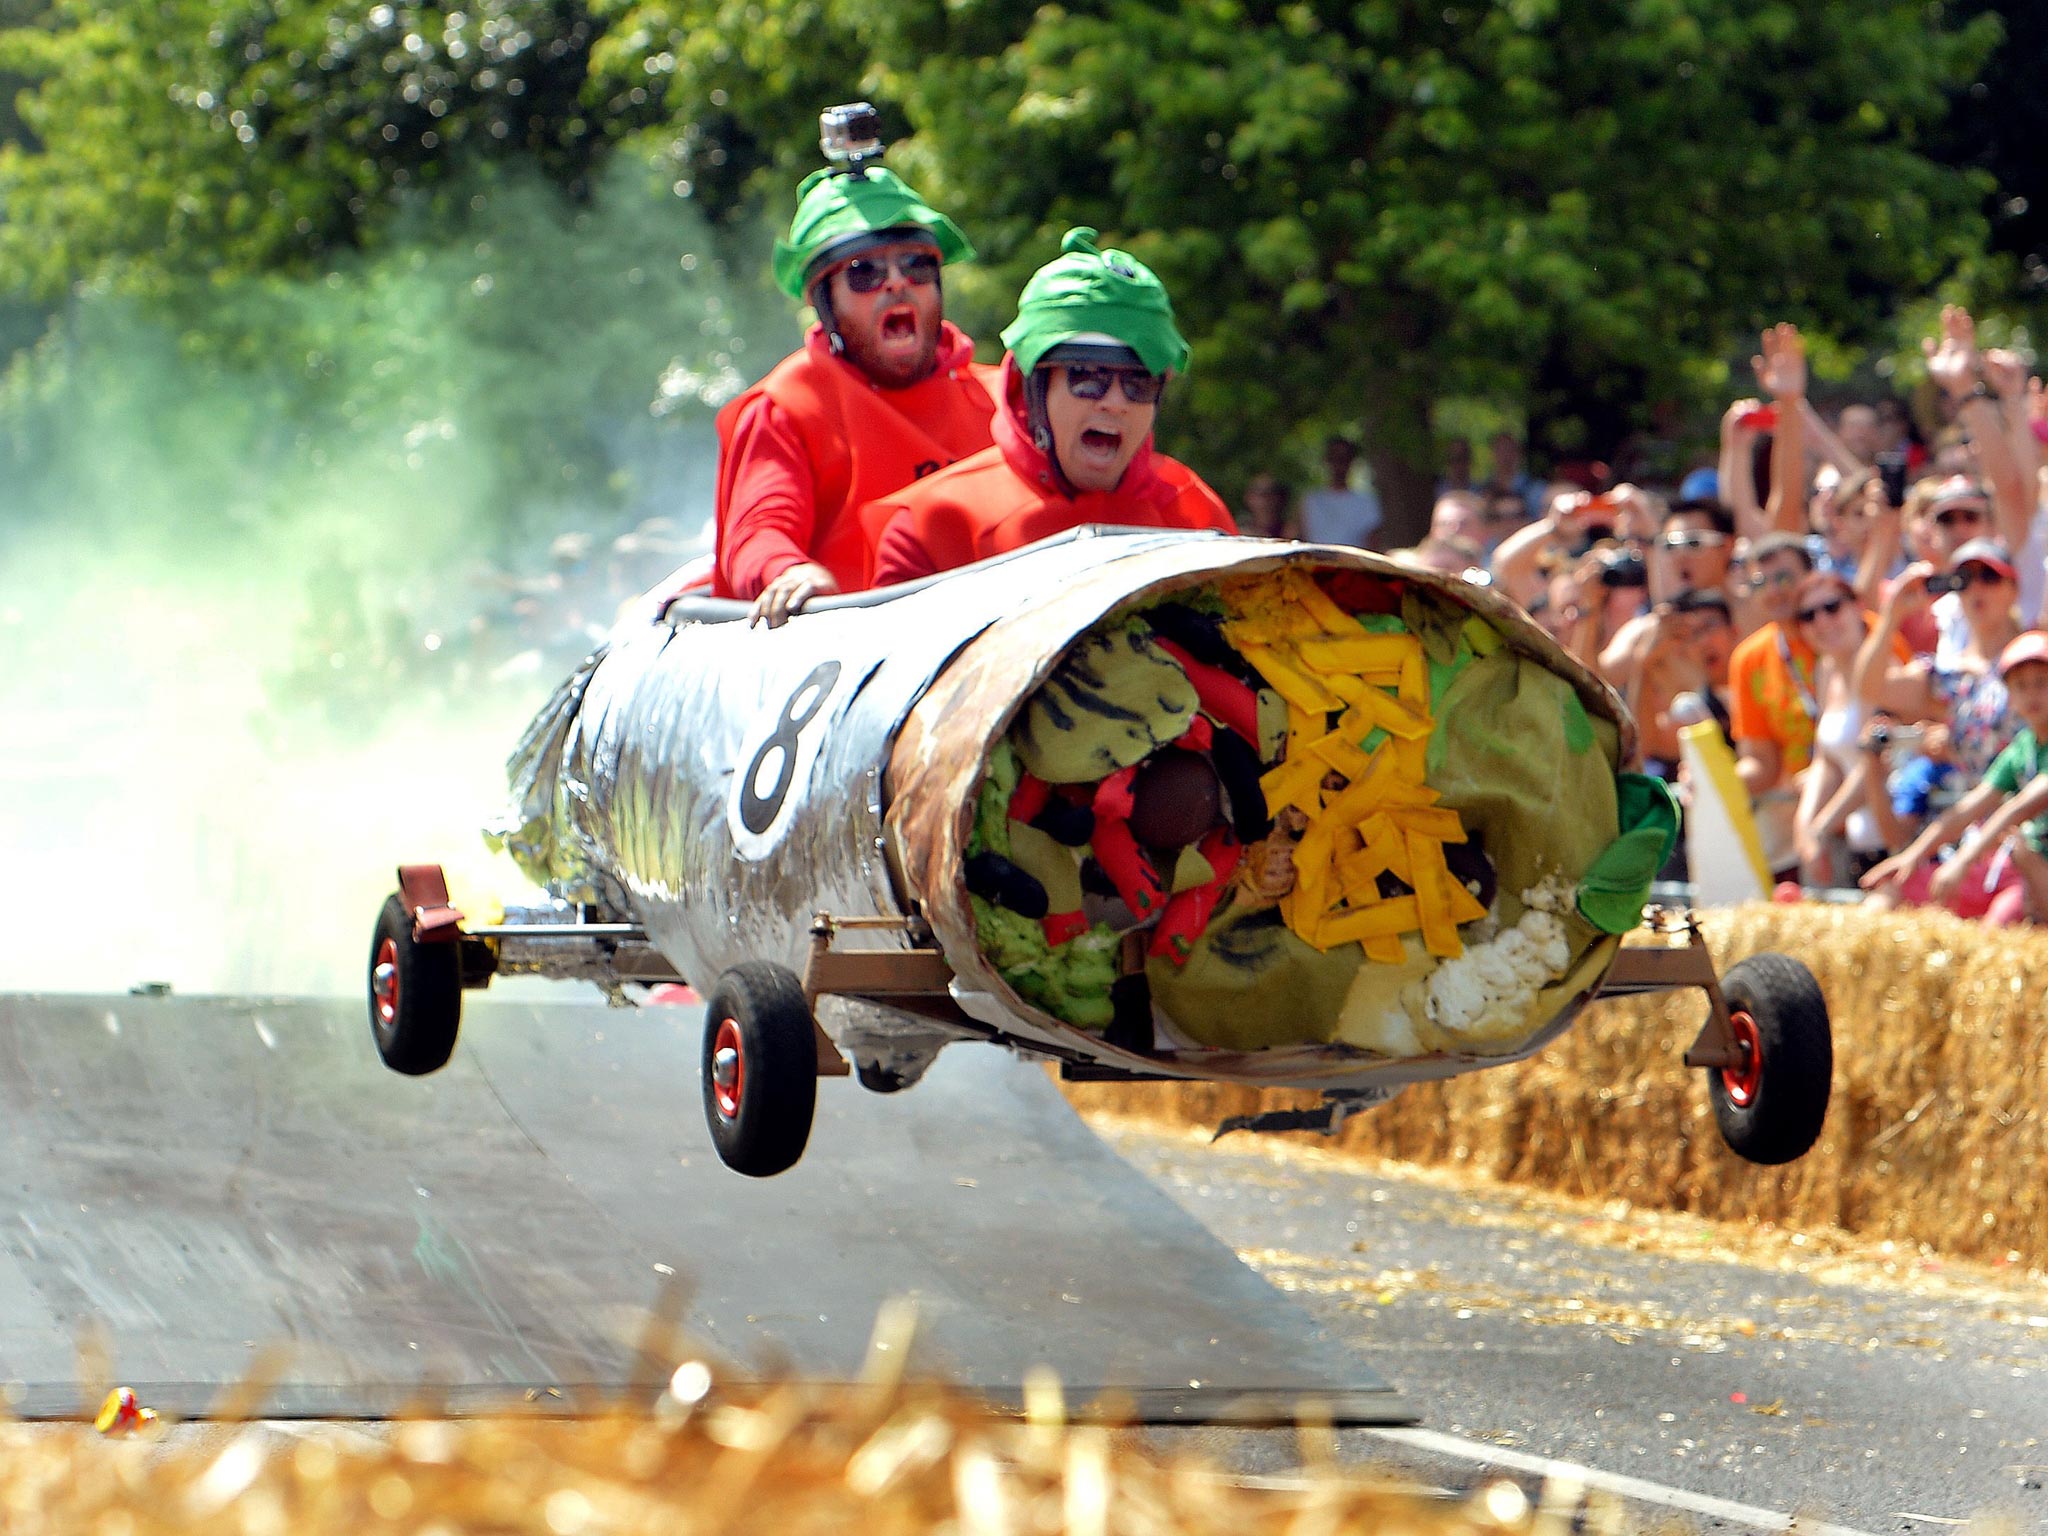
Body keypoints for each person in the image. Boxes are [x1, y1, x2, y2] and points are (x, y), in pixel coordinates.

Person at [710, 158, 1000, 625]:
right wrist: (786, 572)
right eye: (864, 271)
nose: (897, 283)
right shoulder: (787, 405)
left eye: (917, 265)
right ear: (822, 300)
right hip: (851, 659)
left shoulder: (1008, 399)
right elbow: (757, 532)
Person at [868, 228, 1234, 582]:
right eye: (1086, 376)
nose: (1115, 402)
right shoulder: (932, 527)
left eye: (1139, 383)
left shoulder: (1197, 514)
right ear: (1031, 386)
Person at [1860, 631, 2048, 923]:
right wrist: (1911, 856)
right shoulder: (2023, 747)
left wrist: (1962, 860)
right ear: (2010, 697)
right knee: (1891, 895)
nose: (2032, 694)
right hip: (2025, 871)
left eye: (2042, 683)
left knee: (2017, 870)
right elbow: (1968, 808)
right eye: (2021, 686)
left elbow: (2019, 807)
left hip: (2034, 874)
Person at [1299, 436, 1382, 549]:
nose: (1338, 465)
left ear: (1351, 462)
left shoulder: (1366, 502)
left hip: (1352, 565)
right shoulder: (1311, 501)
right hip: (1316, 564)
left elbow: (1373, 542)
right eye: (1334, 458)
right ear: (1326, 460)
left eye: (1343, 459)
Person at [1240, 473, 1298, 539]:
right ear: (1248, 498)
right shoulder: (1240, 534)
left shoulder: (1294, 532)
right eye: (1260, 494)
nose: (1266, 500)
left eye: (1272, 493)